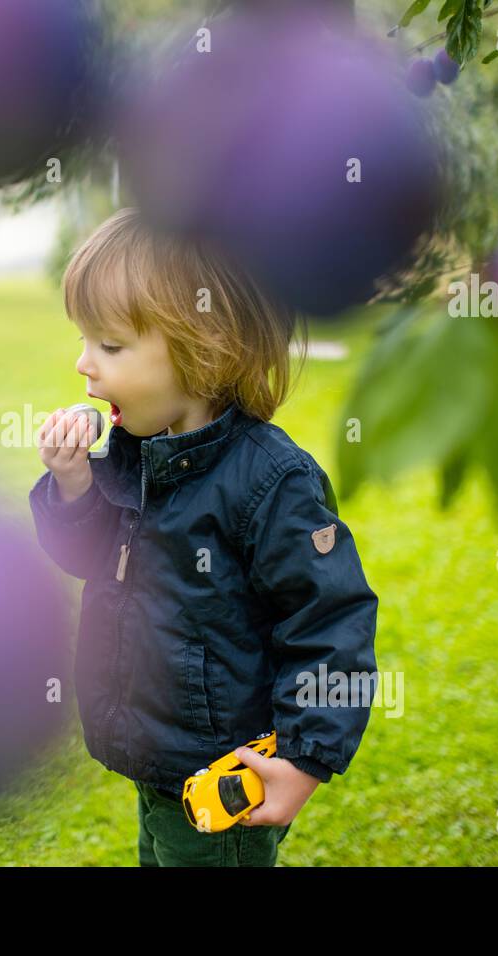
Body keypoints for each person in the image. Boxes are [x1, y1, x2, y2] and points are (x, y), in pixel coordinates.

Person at [29, 207, 379, 867]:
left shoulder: (273, 484)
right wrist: (72, 483)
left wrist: (306, 758)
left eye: (109, 345)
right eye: (84, 341)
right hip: (156, 762)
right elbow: (83, 555)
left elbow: (333, 622)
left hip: (224, 782)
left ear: (203, 344)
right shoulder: (135, 455)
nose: (83, 366)